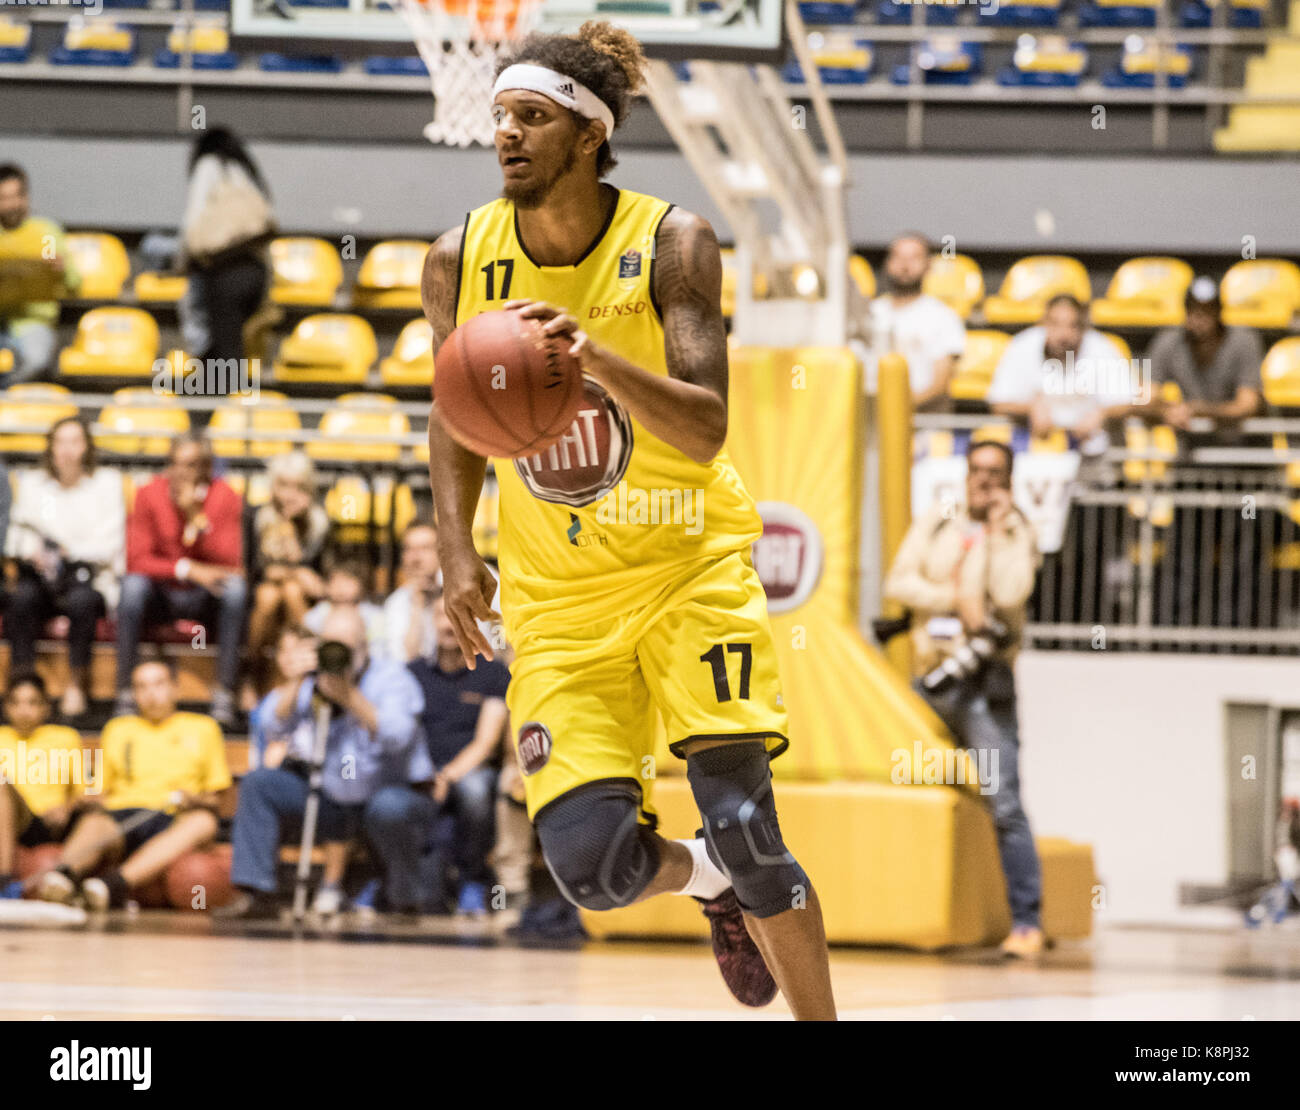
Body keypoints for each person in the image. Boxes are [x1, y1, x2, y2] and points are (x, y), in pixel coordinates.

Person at [421, 22, 834, 1018]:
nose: (507, 135)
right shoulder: (456, 258)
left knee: (743, 818)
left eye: (531, 117)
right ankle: (710, 885)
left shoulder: (672, 241)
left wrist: (597, 360)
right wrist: (455, 556)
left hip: (687, 572)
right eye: (501, 116)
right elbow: (453, 418)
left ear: (589, 135)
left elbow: (705, 429)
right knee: (591, 871)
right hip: (558, 603)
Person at [884, 438, 1045, 957]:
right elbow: (900, 581)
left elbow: (1011, 594)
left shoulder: (1019, 532)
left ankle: (1026, 923)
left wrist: (998, 534)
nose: (983, 481)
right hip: (932, 678)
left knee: (1004, 804)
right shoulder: (939, 519)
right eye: (976, 470)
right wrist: (955, 599)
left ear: (1009, 479)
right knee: (905, 787)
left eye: (995, 473)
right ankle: (906, 910)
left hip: (984, 686)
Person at [221, 608, 433, 920]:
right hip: (329, 796)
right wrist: (294, 683)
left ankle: (405, 899)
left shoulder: (392, 677)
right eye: (328, 645)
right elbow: (272, 726)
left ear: (363, 647)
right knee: (259, 784)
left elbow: (399, 736)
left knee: (391, 807)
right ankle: (258, 893)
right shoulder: (315, 678)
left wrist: (350, 698)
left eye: (343, 647)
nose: (336, 655)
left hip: (384, 792)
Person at [35, 660, 231, 911]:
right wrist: (83, 801)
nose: (150, 694)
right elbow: (99, 790)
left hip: (174, 817)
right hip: (123, 815)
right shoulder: (118, 729)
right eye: (141, 687)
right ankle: (63, 876)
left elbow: (216, 800)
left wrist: (193, 799)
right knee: (95, 821)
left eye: (158, 685)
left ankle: (112, 886)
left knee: (204, 821)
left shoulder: (204, 728)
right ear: (134, 694)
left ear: (175, 688)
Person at [116, 433, 247, 728]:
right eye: (174, 464)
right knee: (131, 587)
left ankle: (225, 692)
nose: (179, 472)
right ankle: (125, 690)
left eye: (189, 465)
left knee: (236, 591)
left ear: (206, 468)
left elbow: (229, 562)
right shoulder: (149, 494)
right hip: (161, 593)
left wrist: (194, 514)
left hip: (205, 597)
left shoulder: (225, 495)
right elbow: (137, 560)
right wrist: (189, 569)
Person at [5, 416, 125, 719]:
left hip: (88, 577)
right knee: (20, 597)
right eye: (60, 442)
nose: (67, 450)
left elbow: (110, 545)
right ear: (51, 448)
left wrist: (67, 551)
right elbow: (16, 538)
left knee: (82, 601)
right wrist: (32, 552)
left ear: (87, 446)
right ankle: (23, 686)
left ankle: (76, 684)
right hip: (43, 575)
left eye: (75, 441)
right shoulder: (33, 484)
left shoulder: (107, 483)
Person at [409, 594, 510, 916]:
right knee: (381, 789)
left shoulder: (493, 673)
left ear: (472, 624)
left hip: (470, 770)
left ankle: (473, 879)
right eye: (440, 615)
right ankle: (390, 883)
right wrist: (424, 775)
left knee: (476, 790)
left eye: (455, 615)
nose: (446, 623)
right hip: (421, 769)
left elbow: (486, 743)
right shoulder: (413, 672)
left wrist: (447, 776)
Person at [178, 128, 275, 374]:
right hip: (256, 271)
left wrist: (183, 260)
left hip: (224, 272)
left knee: (226, 355)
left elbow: (193, 220)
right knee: (229, 348)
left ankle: (227, 404)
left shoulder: (209, 166)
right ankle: (221, 397)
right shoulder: (244, 172)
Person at [986, 294, 1131, 454]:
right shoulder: (1022, 345)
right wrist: (1030, 408)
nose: (1064, 334)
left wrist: (1101, 413)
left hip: (1093, 449)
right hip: (1033, 448)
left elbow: (1126, 401)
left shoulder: (1103, 347)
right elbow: (998, 402)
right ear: (1043, 323)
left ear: (1084, 327)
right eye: (1055, 324)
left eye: (1073, 325)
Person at [244, 450, 330, 703]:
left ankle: (309, 670)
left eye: (298, 486)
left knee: (291, 592)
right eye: (283, 485)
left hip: (303, 600)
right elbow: (254, 571)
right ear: (272, 487)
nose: (290, 494)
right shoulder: (257, 518)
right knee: (269, 595)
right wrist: (293, 570)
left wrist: (298, 534)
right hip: (262, 595)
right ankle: (251, 672)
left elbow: (319, 582)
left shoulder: (320, 524)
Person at [0, 674, 88, 899]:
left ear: (46, 707)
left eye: (32, 702)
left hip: (48, 823)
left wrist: (67, 808)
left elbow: (87, 793)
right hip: (11, 820)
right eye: (16, 702)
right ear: (6, 707)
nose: (24, 710)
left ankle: (4, 883)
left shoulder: (65, 738)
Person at [1146, 276, 1263, 432]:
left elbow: (1247, 405)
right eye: (1193, 309)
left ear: (1219, 312)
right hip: (1189, 438)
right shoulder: (1167, 341)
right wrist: (1167, 410)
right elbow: (1145, 397)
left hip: (1240, 443)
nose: (1199, 317)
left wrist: (1199, 410)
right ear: (1185, 310)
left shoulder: (1245, 340)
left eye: (1207, 310)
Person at [0, 163, 81, 386]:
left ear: (26, 197)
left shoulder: (45, 233)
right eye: (3, 198)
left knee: (36, 360)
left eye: (15, 197)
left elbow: (75, 284)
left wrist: (61, 269)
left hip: (33, 321)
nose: (10, 205)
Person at [867, 232, 966, 410]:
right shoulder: (870, 313)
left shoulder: (943, 317)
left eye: (914, 258)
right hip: (871, 421)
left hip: (924, 426)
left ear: (929, 265)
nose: (905, 265)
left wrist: (896, 410)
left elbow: (940, 385)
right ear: (887, 263)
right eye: (898, 257)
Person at [382, 521, 442, 663]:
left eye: (425, 548)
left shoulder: (470, 587)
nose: (415, 558)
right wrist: (417, 606)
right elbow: (405, 661)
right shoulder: (396, 603)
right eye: (409, 549)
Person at [303, 559, 386, 655]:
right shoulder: (315, 615)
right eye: (335, 581)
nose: (341, 587)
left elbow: (379, 649)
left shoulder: (375, 616)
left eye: (347, 581)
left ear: (361, 584)